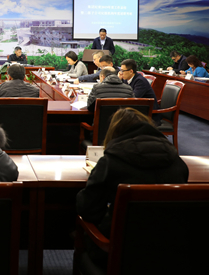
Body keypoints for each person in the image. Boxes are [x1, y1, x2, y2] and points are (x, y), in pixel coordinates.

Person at [76, 108, 188, 265]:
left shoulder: (111, 162)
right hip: (169, 252)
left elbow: (87, 208)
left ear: (115, 132)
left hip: (118, 253)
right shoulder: (178, 162)